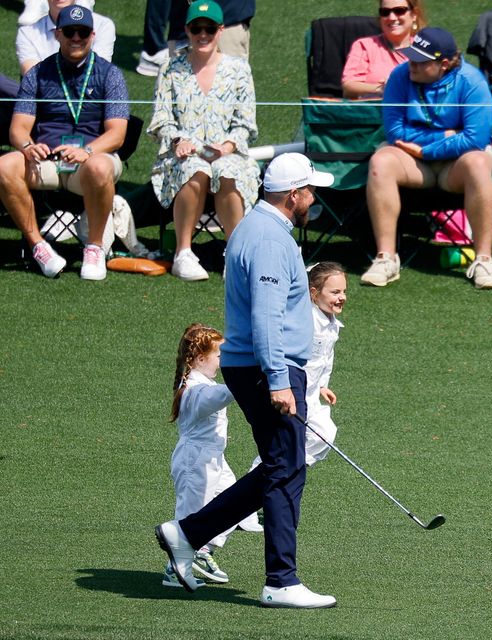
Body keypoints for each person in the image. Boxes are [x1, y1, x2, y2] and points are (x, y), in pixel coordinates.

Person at [155, 152, 337, 609]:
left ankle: (189, 533)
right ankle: (280, 580)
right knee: (286, 469)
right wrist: (279, 379)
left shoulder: (261, 230)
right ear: (293, 195)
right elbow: (267, 316)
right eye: (310, 191)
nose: (314, 198)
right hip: (266, 367)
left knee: (283, 466)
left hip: (257, 365)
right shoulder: (270, 240)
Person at [360, 27, 492, 290]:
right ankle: (386, 258)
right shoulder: (400, 76)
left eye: (420, 61)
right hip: (414, 164)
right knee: (381, 161)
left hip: (454, 165)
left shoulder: (472, 82)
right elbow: (395, 132)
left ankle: (484, 260)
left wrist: (426, 150)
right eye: (411, 57)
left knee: (480, 162)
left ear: (443, 64)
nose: (411, 64)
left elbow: (475, 139)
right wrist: (446, 135)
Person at [0, 5, 128, 280]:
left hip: (91, 160)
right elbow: (19, 128)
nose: (76, 38)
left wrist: (87, 151)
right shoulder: (38, 74)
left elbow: (117, 133)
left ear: (92, 35)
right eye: (70, 31)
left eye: (83, 32)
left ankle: (94, 248)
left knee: (99, 167)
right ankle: (39, 245)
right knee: (4, 165)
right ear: (58, 34)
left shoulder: (110, 75)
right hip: (46, 161)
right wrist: (27, 146)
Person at [147, 0, 260, 282]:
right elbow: (161, 118)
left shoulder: (239, 69)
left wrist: (228, 147)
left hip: (227, 151)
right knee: (195, 169)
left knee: (227, 170)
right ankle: (183, 253)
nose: (203, 34)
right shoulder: (171, 68)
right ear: (186, 30)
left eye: (209, 28)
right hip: (184, 152)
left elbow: (245, 124)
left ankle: (234, 256)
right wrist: (177, 140)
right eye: (196, 28)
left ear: (220, 30)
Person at [163, 323, 262, 588]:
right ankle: (174, 571)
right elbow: (222, 395)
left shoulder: (203, 384)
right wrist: (247, 378)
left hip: (214, 457)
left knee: (237, 506)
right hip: (196, 460)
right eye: (220, 356)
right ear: (199, 359)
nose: (222, 362)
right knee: (191, 515)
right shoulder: (196, 391)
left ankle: (203, 551)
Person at [250, 262, 348, 472]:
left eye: (344, 291)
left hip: (311, 392)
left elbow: (326, 357)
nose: (342, 297)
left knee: (324, 434)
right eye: (335, 292)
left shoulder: (331, 323)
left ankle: (289, 467)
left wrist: (322, 385)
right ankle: (265, 474)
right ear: (314, 293)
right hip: (293, 391)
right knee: (286, 441)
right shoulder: (306, 320)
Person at [341, 0, 428, 99]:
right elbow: (348, 87)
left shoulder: (424, 48)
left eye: (399, 11)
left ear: (414, 14)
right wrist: (382, 89)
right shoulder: (364, 46)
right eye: (385, 12)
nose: (391, 17)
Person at [16, 0, 114, 75]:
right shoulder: (27, 32)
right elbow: (32, 77)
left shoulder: (102, 25)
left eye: (83, 33)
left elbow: (99, 72)